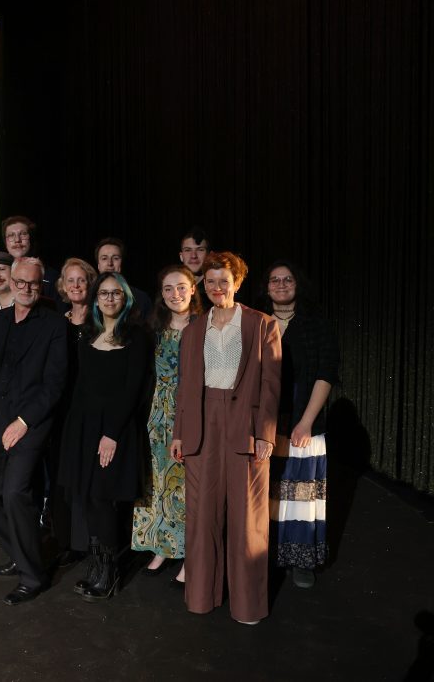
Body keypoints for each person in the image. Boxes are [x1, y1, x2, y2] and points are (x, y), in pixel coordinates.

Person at [170, 251, 281, 625]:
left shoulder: (261, 324)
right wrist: (180, 434)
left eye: (224, 280)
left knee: (247, 519)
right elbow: (185, 388)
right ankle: (201, 597)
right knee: (201, 517)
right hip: (202, 424)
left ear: (237, 282)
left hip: (244, 425)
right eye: (211, 281)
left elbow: (270, 384)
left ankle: (248, 605)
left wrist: (265, 433)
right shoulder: (193, 330)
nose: (218, 287)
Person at [0, 257, 68, 605]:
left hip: (31, 423)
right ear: (10, 282)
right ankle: (21, 554)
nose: (26, 289)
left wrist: (24, 422)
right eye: (21, 282)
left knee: (14, 493)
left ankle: (32, 575)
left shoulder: (55, 325)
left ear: (41, 286)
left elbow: (54, 384)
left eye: (33, 284)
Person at [59, 271, 150, 600]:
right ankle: (97, 566)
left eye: (116, 293)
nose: (110, 298)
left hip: (116, 429)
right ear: (96, 299)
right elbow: (82, 385)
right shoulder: (87, 334)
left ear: (125, 298)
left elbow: (133, 389)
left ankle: (109, 572)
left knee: (102, 498)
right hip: (84, 427)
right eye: (104, 293)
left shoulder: (136, 336)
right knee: (86, 496)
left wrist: (111, 433)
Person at [259, 260, 338, 589]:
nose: (280, 284)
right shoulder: (257, 323)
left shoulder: (316, 324)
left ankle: (300, 559)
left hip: (304, 419)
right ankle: (267, 555)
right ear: (266, 288)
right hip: (266, 421)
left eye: (287, 279)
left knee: (301, 496)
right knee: (269, 492)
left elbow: (326, 374)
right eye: (274, 280)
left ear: (297, 284)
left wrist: (305, 423)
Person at [131, 265, 203, 585]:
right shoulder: (153, 327)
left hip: (188, 414)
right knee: (157, 483)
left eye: (182, 287)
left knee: (185, 487)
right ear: (161, 294)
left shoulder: (203, 326)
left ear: (193, 289)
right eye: (169, 289)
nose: (176, 294)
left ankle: (188, 552)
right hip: (155, 416)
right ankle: (160, 546)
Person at [54, 257, 98, 566]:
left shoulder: (100, 320)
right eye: (70, 281)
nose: (76, 285)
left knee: (87, 477)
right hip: (59, 411)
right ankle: (66, 541)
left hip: (90, 410)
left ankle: (88, 541)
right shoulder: (56, 321)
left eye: (81, 279)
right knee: (61, 477)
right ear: (62, 287)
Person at [0, 217, 60, 306]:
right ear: (5, 242)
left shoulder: (51, 277)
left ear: (31, 239)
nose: (17, 240)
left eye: (23, 234)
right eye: (11, 235)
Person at [94, 237, 152, 319]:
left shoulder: (141, 299)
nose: (110, 263)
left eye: (115, 258)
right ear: (98, 265)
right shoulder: (89, 297)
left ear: (122, 263)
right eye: (104, 258)